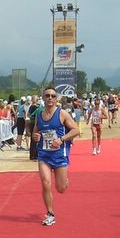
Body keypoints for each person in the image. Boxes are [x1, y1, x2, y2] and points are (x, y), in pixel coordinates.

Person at [32, 86, 80, 226]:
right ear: (43, 98)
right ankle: (50, 213)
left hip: (59, 155)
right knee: (46, 183)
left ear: (56, 98)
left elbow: (76, 130)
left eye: (53, 96)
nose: (50, 98)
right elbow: (35, 132)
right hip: (44, 154)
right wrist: (35, 136)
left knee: (60, 189)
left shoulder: (62, 113)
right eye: (47, 95)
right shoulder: (39, 115)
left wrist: (61, 139)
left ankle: (64, 182)